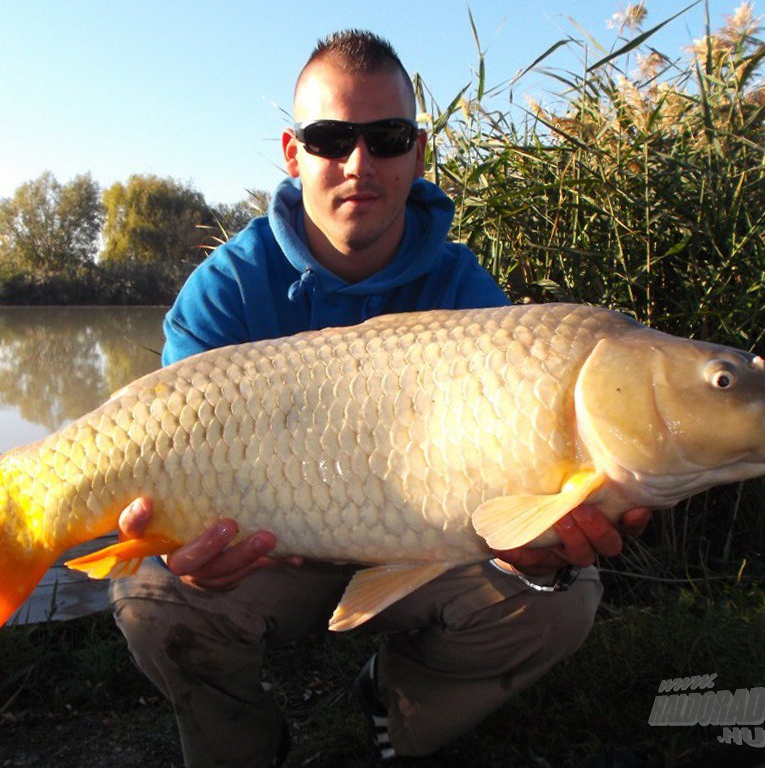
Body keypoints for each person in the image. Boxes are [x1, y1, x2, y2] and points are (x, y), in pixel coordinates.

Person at [109, 29, 650, 768]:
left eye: (388, 137)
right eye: (331, 138)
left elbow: (519, 507)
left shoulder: (467, 297)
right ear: (294, 153)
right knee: (155, 601)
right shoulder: (227, 290)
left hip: (428, 550)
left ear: (418, 153)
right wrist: (185, 554)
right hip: (269, 556)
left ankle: (399, 711)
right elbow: (169, 474)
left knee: (561, 595)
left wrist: (534, 554)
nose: (359, 164)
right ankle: (241, 748)